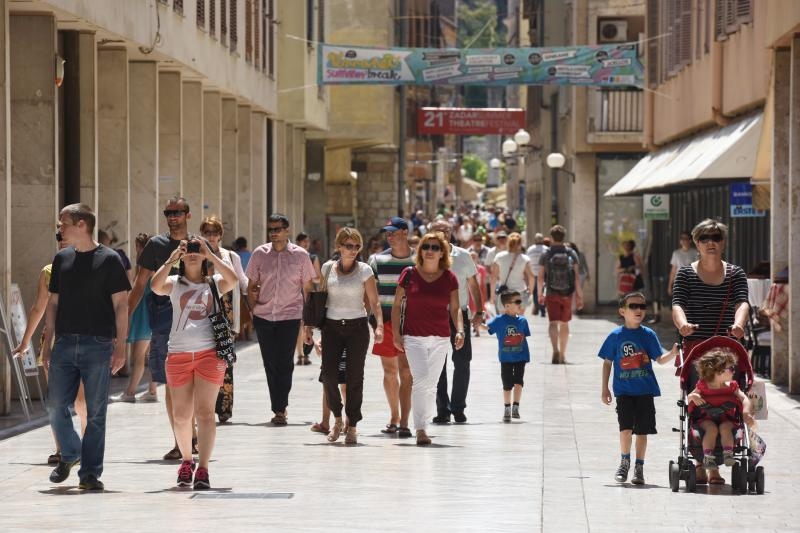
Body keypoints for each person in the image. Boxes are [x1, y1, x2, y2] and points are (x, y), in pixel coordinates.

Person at [43, 203, 130, 491]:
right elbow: (53, 303)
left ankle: (90, 473)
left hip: (99, 344)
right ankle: (70, 452)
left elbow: (121, 305)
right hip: (65, 343)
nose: (60, 229)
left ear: (82, 225)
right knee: (56, 406)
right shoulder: (61, 259)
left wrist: (121, 347)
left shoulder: (110, 260)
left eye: (63, 223)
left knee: (95, 412)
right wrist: (47, 343)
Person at [150, 235, 239, 489]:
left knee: (205, 414)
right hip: (178, 354)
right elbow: (155, 286)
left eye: (195, 249)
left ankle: (204, 468)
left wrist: (211, 255)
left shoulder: (214, 283)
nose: (191, 253)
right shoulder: (174, 283)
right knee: (181, 416)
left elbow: (232, 280)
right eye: (188, 249)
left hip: (208, 354)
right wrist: (170, 259)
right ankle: (187, 460)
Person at [672, 218, 749, 484]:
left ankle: (714, 466)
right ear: (696, 242)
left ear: (723, 242)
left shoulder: (736, 273)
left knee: (726, 398)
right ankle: (704, 464)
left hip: (728, 350)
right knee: (700, 405)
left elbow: (743, 303)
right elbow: (677, 304)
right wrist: (682, 325)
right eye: (705, 238)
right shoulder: (685, 273)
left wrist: (739, 324)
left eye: (716, 237)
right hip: (697, 350)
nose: (711, 242)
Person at [13, 230, 87, 465]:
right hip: (55, 342)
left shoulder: (93, 266)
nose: (63, 239)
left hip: (87, 340)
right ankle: (62, 449)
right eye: (58, 235)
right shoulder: (49, 271)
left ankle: (87, 447)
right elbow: (38, 308)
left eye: (67, 233)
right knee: (57, 401)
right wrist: (25, 342)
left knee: (82, 401)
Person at [128, 197, 193, 460]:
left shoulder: (198, 245)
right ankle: (180, 441)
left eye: (177, 212)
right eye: (168, 213)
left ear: (187, 215)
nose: (172, 217)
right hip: (164, 324)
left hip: (195, 324)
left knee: (194, 386)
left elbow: (210, 285)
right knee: (170, 384)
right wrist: (123, 322)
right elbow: (140, 284)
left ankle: (192, 433)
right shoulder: (156, 246)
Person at [311, 227, 382, 445]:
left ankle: (353, 425)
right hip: (332, 327)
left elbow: (374, 301)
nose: (352, 250)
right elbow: (319, 301)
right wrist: (312, 330)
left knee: (354, 377)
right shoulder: (327, 268)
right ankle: (337, 418)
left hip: (357, 328)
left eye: (356, 246)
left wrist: (379, 326)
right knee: (329, 376)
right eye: (348, 246)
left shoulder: (365, 270)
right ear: (339, 247)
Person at [391, 232, 463, 445]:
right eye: (426, 247)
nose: (430, 251)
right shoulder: (409, 274)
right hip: (413, 337)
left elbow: (455, 308)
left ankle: (424, 422)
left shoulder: (450, 277)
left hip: (440, 338)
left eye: (435, 247)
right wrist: (396, 333)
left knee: (431, 385)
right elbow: (396, 306)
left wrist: (460, 330)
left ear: (443, 253)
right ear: (420, 251)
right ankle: (420, 429)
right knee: (421, 379)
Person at [599, 291, 678, 485]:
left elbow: (659, 359)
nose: (639, 310)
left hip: (645, 391)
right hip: (623, 392)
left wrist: (673, 353)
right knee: (625, 429)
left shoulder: (648, 334)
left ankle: (639, 466)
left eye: (642, 306)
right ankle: (624, 461)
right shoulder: (615, 336)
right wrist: (605, 388)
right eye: (633, 306)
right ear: (622, 311)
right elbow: (607, 362)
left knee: (642, 431)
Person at [246, 214, 315, 425]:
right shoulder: (259, 254)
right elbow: (250, 286)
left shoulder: (301, 256)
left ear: (288, 230)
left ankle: (280, 408)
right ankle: (277, 405)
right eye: (271, 229)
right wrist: (252, 310)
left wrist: (308, 322)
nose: (274, 233)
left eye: (278, 229)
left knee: (285, 363)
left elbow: (307, 290)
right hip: (264, 316)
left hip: (290, 316)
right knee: (270, 363)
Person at [430, 220, 483, 425]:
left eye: (446, 230)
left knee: (462, 362)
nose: (443, 233)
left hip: (459, 314)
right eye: (438, 230)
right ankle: (442, 409)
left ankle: (458, 408)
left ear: (452, 233)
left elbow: (473, 284)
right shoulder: (427, 254)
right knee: (437, 364)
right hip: (435, 316)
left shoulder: (463, 255)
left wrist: (479, 311)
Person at [368, 217, 415, 438]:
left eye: (394, 232)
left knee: (407, 372)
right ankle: (394, 416)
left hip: (412, 322)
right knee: (390, 371)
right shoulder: (377, 260)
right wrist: (374, 322)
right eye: (387, 233)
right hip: (385, 320)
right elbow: (370, 294)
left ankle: (406, 419)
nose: (389, 236)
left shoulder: (419, 259)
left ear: (405, 232)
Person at [199, 216, 248, 423]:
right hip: (201, 315)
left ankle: (224, 407)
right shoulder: (195, 255)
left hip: (225, 316)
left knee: (225, 360)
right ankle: (205, 405)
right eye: (207, 232)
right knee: (204, 359)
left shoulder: (230, 256)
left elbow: (242, 282)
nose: (211, 236)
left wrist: (255, 292)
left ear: (220, 235)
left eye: (214, 232)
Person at [688, 347, 755, 483]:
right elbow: (690, 397)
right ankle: (708, 457)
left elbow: (744, 398)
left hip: (727, 418)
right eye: (730, 369)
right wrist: (694, 396)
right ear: (716, 372)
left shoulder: (733, 386)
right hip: (706, 418)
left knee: (725, 428)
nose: (733, 372)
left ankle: (728, 454)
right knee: (711, 428)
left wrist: (746, 411)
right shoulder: (703, 385)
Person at [110, 233, 157, 403]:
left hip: (144, 319)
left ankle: (130, 393)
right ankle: (152, 391)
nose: (136, 250)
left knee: (139, 357)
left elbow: (137, 296)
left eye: (138, 246)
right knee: (150, 356)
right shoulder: (155, 267)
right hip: (151, 319)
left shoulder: (145, 269)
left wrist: (127, 319)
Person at [538, 225, 584, 364]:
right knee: (564, 324)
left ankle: (555, 350)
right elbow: (576, 276)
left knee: (552, 323)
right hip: (567, 294)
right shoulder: (571, 253)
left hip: (551, 292)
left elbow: (540, 277)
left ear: (551, 237)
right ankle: (563, 354)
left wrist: (540, 293)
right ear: (564, 236)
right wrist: (580, 296)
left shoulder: (546, 254)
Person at [487, 291, 531, 422]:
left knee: (519, 381)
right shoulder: (499, 320)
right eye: (517, 302)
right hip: (505, 358)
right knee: (507, 383)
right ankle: (507, 407)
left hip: (521, 356)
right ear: (507, 306)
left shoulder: (523, 320)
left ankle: (516, 406)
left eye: (520, 301)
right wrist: (478, 323)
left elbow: (524, 336)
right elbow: (488, 328)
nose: (520, 304)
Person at [490, 232, 535, 314]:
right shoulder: (525, 259)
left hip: (504, 294)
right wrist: (530, 292)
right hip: (520, 293)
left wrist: (492, 295)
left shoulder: (499, 257)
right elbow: (531, 277)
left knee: (504, 322)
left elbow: (493, 277)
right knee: (518, 322)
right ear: (520, 244)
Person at [295, 232, 322, 366]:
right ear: (298, 242)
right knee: (300, 325)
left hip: (310, 294)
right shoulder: (293, 256)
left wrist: (308, 276)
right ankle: (300, 355)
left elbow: (318, 277)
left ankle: (305, 353)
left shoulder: (312, 257)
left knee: (308, 325)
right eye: (303, 241)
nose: (306, 244)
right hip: (295, 293)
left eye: (307, 241)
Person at [525, 233, 549, 317]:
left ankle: (539, 308)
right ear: (542, 240)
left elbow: (527, 261)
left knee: (535, 292)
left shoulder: (530, 249)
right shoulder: (546, 249)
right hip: (544, 274)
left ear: (535, 240)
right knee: (543, 291)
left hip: (533, 273)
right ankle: (542, 309)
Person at [468, 250, 488, 337]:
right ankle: (470, 329)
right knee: (470, 312)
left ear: (477, 258)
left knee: (477, 311)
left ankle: (477, 330)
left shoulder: (481, 269)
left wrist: (485, 294)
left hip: (478, 292)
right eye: (471, 257)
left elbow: (483, 283)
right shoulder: (466, 268)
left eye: (474, 257)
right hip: (468, 292)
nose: (472, 259)